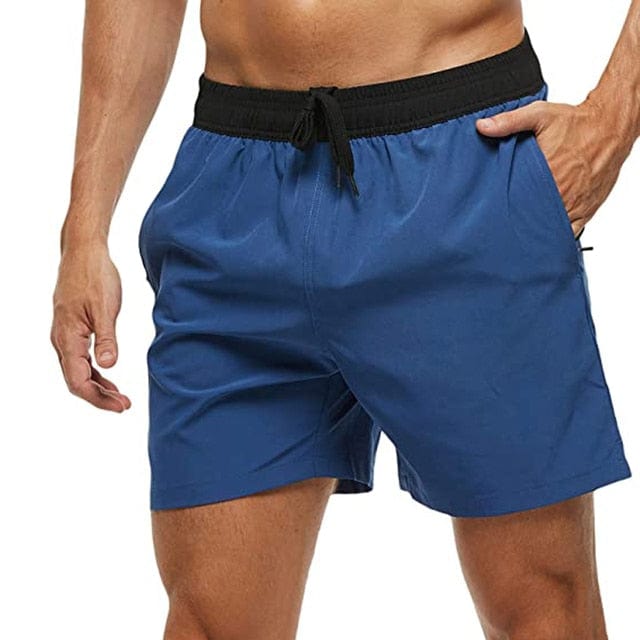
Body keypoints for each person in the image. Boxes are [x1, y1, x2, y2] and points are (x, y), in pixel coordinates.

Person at [51, 1, 638, 638]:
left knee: (544, 613)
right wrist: (85, 229)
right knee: (209, 624)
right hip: (232, 195)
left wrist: (614, 118)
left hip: (462, 165)